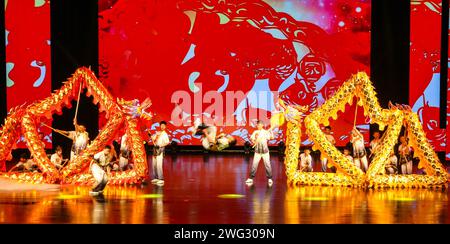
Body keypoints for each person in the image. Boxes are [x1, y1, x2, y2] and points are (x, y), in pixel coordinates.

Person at [246, 120, 274, 187]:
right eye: (257, 125)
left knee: (268, 165)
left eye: (258, 125)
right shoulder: (255, 132)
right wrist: (254, 140)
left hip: (265, 152)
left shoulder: (265, 132)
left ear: (262, 125)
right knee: (254, 165)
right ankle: (251, 178)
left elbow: (271, 138)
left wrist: (271, 131)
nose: (257, 126)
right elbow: (252, 139)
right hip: (257, 152)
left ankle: (270, 178)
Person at [151, 121, 170, 186]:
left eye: (163, 126)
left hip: (160, 149)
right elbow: (153, 139)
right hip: (155, 150)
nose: (162, 126)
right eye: (161, 125)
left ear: (165, 127)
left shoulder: (165, 134)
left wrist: (160, 145)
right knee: (154, 164)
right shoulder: (158, 133)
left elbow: (167, 142)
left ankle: (161, 179)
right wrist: (152, 136)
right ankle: (156, 177)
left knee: (159, 164)